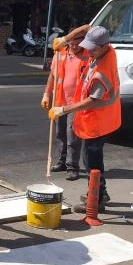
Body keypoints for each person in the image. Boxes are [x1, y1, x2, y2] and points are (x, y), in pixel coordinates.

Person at [48, 26, 121, 213]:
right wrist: (65, 39)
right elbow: (88, 27)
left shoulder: (101, 71)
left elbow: (92, 101)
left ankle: (96, 200)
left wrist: (64, 110)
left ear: (104, 46)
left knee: (91, 160)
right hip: (102, 117)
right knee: (94, 157)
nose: (88, 51)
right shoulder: (107, 52)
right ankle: (100, 192)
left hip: (98, 120)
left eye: (92, 49)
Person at [41, 25, 89, 180]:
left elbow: (89, 27)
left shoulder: (88, 55)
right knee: (60, 134)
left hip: (76, 102)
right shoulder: (60, 52)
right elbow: (52, 76)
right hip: (60, 101)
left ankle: (72, 167)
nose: (74, 46)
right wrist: (46, 95)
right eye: (72, 43)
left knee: (72, 135)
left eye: (77, 43)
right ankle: (62, 162)